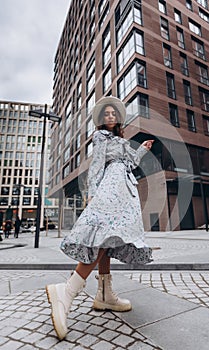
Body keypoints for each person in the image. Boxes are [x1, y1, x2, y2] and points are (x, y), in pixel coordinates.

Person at [46, 96, 154, 340]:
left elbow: (130, 164)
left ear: (117, 117)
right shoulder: (100, 137)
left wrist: (143, 151)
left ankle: (104, 294)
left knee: (111, 237)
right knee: (103, 234)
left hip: (125, 187)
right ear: (101, 120)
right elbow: (96, 165)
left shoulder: (121, 140)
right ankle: (67, 290)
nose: (109, 116)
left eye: (112, 113)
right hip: (110, 187)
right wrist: (92, 193)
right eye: (105, 114)